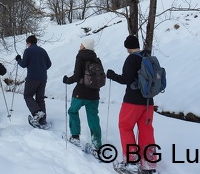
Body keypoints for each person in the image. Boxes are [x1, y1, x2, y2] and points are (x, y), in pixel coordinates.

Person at [106, 35, 158, 174]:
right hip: (148, 101)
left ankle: (131, 161)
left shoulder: (131, 59)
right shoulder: (147, 57)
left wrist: (112, 75)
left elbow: (126, 79)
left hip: (132, 101)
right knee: (146, 130)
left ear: (127, 47)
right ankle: (149, 164)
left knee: (125, 127)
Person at [62, 38, 104, 156]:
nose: (79, 45)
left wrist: (67, 80)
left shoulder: (80, 56)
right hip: (94, 94)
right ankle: (97, 145)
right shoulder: (97, 59)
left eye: (81, 44)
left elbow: (76, 76)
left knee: (73, 111)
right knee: (93, 117)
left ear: (84, 46)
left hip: (80, 92)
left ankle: (75, 136)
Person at [15, 35, 52, 128]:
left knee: (27, 95)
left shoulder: (28, 51)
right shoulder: (43, 50)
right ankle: (43, 121)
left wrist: (18, 59)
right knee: (40, 98)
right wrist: (41, 68)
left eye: (26, 44)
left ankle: (37, 113)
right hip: (43, 77)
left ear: (29, 43)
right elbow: (49, 64)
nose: (26, 45)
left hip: (32, 77)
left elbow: (23, 64)